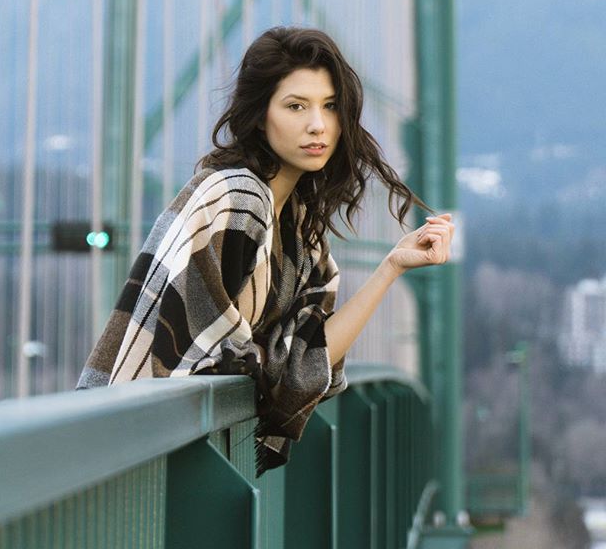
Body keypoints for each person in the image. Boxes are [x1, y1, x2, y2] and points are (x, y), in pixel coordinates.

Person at [77, 26, 454, 475]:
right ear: (260, 116)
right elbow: (244, 374)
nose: (318, 125)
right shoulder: (237, 198)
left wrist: (392, 266)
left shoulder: (298, 228)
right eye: (296, 106)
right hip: (131, 457)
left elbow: (301, 363)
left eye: (330, 106)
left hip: (162, 459)